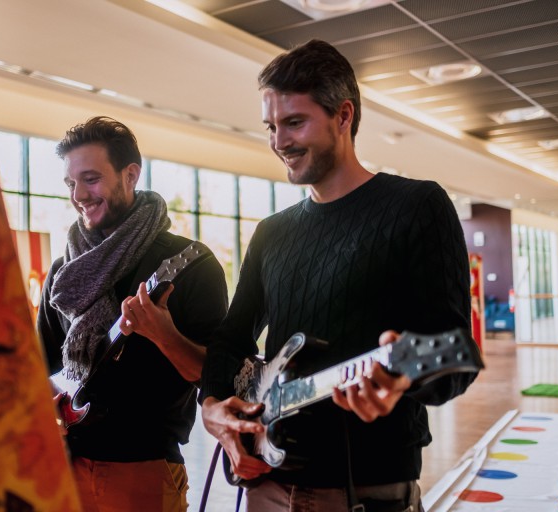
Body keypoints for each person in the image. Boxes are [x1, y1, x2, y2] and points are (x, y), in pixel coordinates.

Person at [199, 39, 479, 512]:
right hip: (265, 484)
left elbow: (453, 348)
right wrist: (212, 409)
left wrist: (402, 382)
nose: (278, 141)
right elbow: (230, 339)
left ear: (344, 116)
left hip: (366, 491)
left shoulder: (417, 207)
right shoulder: (272, 232)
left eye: (294, 122)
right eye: (271, 126)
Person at [37, 116, 229, 512]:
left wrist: (164, 334)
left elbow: (218, 376)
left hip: (145, 466)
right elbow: (41, 368)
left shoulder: (188, 263)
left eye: (90, 179)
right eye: (71, 183)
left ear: (130, 175)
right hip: (62, 467)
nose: (79, 195)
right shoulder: (62, 273)